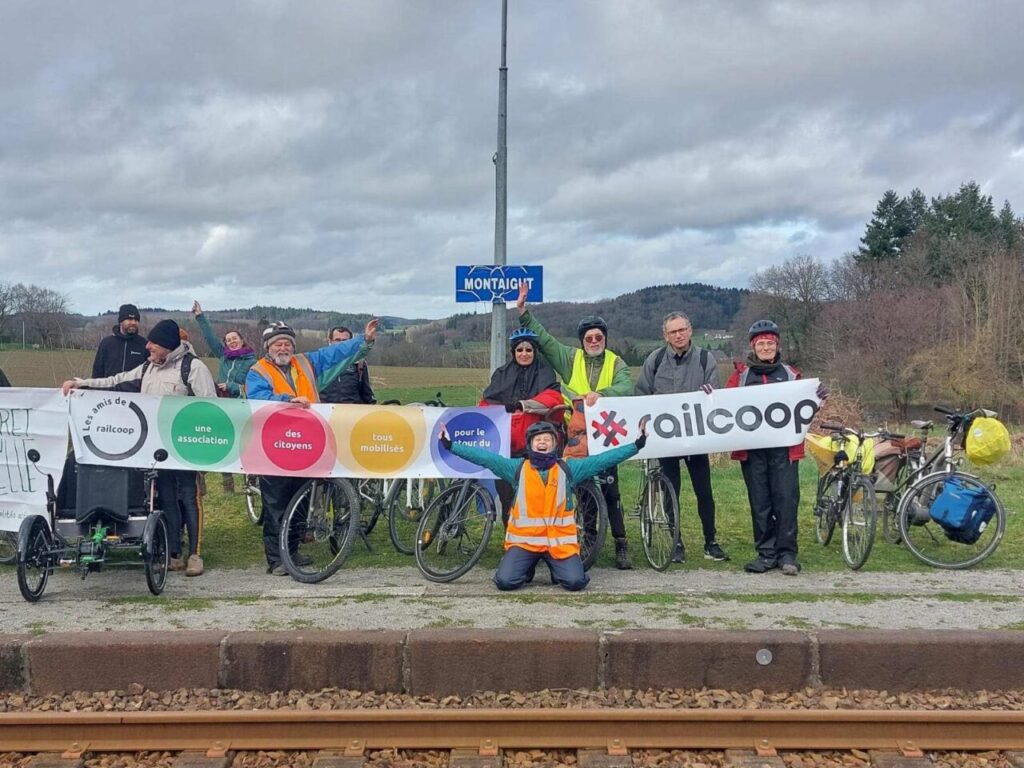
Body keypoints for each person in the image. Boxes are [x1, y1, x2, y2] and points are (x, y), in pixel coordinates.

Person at [62, 319, 218, 577]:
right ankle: (175, 554)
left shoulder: (194, 368)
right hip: (156, 446)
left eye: (153, 343)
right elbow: (116, 380)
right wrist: (82, 384)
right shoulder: (148, 367)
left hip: (185, 445)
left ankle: (195, 554)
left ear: (167, 345)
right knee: (166, 498)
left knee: (190, 498)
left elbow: (210, 408)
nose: (147, 347)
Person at [440, 418, 649, 591]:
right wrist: (451, 445)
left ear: (554, 444)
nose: (542, 442)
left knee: (576, 582)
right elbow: (485, 458)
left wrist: (636, 445)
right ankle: (527, 568)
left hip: (558, 546)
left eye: (547, 439)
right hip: (525, 544)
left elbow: (603, 460)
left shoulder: (568, 468)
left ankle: (555, 569)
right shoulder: (517, 468)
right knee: (505, 582)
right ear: (530, 444)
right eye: (537, 439)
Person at [514, 282, 636, 569]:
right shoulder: (570, 358)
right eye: (588, 338)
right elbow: (545, 341)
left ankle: (621, 543)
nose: (593, 341)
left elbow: (626, 386)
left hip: (605, 435)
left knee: (611, 490)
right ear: (582, 341)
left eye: (598, 337)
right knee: (581, 489)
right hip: (575, 435)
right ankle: (589, 538)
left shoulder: (616, 363)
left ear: (604, 339)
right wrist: (523, 312)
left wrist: (603, 394)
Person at [246, 318, 378, 575]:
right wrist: (287, 401)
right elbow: (258, 398)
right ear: (268, 347)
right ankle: (276, 559)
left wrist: (363, 340)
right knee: (276, 503)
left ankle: (292, 551)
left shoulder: (305, 362)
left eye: (287, 344)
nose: (283, 348)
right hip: (274, 446)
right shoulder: (257, 372)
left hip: (306, 443)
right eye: (277, 344)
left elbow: (334, 353)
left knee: (302, 500)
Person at [726, 320, 828, 576]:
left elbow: (805, 407)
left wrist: (818, 398)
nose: (766, 347)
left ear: (777, 345)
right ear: (753, 346)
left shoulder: (791, 374)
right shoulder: (741, 376)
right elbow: (723, 403)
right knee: (760, 502)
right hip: (752, 450)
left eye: (770, 343)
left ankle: (787, 554)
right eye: (761, 343)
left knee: (786, 500)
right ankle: (766, 553)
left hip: (784, 450)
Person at [635, 312, 728, 563]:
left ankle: (711, 541)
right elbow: (642, 394)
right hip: (666, 438)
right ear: (666, 335)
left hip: (696, 436)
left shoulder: (705, 358)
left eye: (682, 330)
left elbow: (715, 395)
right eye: (673, 331)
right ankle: (676, 542)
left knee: (704, 491)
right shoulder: (655, 360)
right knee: (670, 490)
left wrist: (710, 393)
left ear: (690, 330)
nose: (678, 335)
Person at [479, 328, 564, 524]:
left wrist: (524, 405)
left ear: (534, 351)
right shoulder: (502, 374)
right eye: (519, 350)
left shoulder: (545, 373)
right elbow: (486, 402)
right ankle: (510, 537)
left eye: (528, 350)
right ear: (513, 352)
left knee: (536, 498)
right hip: (506, 446)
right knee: (507, 498)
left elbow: (553, 398)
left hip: (534, 446)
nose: (524, 354)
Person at [192, 301, 258, 493]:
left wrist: (232, 387)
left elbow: (252, 387)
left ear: (242, 340)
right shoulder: (223, 357)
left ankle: (251, 482)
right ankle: (222, 485)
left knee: (242, 445)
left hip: (241, 407)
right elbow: (210, 338)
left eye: (234, 338)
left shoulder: (253, 361)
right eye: (228, 340)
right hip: (221, 405)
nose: (231, 342)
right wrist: (200, 316)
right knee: (219, 442)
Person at [91, 304, 149, 390]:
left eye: (136, 320)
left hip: (135, 395)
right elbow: (97, 372)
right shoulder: (107, 343)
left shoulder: (144, 345)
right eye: (129, 319)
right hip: (108, 394)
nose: (133, 322)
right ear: (121, 321)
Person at [319, 326, 377, 405]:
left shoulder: (359, 364)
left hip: (351, 411)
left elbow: (367, 396)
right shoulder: (318, 364)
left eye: (345, 340)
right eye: (337, 340)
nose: (341, 343)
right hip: (325, 411)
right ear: (330, 341)